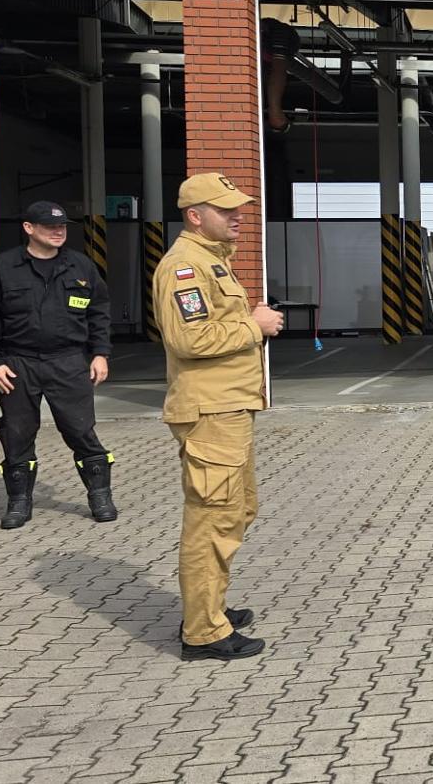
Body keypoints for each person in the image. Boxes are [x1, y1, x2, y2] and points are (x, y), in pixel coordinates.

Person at [157, 172, 285, 662]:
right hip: (210, 412)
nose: (238, 216)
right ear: (195, 216)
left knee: (235, 512)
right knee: (212, 521)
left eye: (237, 208)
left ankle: (210, 608)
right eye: (225, 209)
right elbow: (190, 340)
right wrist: (253, 326)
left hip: (228, 409)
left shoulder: (212, 262)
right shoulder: (184, 268)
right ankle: (204, 633)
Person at [0, 201, 117, 529]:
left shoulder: (81, 266)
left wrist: (100, 353)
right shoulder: (3, 267)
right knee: (17, 434)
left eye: (62, 227)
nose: (58, 232)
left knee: (81, 431)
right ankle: (19, 503)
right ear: (28, 228)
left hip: (67, 362)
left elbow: (99, 311)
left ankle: (100, 496)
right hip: (17, 364)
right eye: (49, 226)